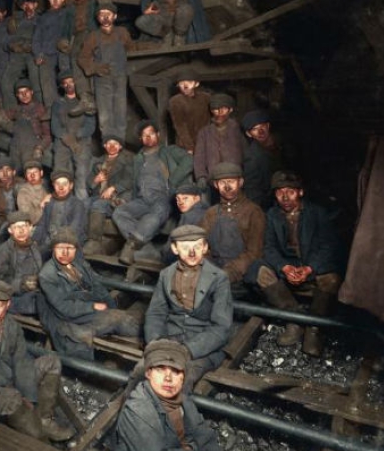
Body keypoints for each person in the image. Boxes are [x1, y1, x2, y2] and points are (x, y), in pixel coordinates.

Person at [0, 279, 74, 442]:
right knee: (15, 401)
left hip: (9, 379)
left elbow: (21, 360)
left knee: (52, 362)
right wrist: (18, 391)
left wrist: (30, 396)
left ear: (8, 305)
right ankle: (40, 438)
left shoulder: (13, 327)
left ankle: (45, 421)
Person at [256, 171, 344, 355]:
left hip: (310, 266)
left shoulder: (317, 213)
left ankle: (314, 327)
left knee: (333, 279)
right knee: (261, 272)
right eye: (280, 192)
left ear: (301, 192)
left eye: (291, 191)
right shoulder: (272, 215)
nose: (285, 197)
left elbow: (329, 247)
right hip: (287, 268)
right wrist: (284, 267)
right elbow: (268, 248)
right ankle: (293, 320)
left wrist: (309, 268)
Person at [115, 339, 221, 451]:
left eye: (176, 371)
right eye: (160, 369)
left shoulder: (184, 401)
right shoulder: (137, 409)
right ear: (148, 373)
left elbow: (207, 440)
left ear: (183, 377)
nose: (168, 378)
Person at [144, 225, 232, 391]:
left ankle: (183, 416)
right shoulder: (166, 274)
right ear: (174, 249)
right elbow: (155, 313)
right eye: (185, 247)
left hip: (203, 347)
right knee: (142, 373)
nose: (192, 253)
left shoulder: (219, 278)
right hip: (170, 339)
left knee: (182, 381)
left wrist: (189, 350)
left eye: (197, 246)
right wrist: (156, 343)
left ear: (205, 247)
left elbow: (221, 327)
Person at [38, 228, 141, 360]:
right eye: (60, 248)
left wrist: (110, 307)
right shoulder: (47, 274)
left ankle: (150, 340)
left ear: (76, 249)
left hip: (83, 311)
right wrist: (92, 307)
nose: (65, 252)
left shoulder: (79, 264)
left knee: (124, 318)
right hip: (64, 317)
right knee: (116, 319)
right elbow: (63, 308)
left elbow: (97, 286)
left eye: (70, 248)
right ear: (53, 249)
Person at [114, 120, 193, 265]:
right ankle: (147, 250)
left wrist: (173, 180)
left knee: (156, 214)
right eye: (144, 135)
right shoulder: (138, 158)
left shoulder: (169, 151)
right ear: (140, 139)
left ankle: (131, 246)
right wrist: (121, 194)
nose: (148, 137)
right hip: (142, 199)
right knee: (119, 213)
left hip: (163, 198)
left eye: (151, 133)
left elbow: (189, 160)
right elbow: (131, 180)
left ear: (158, 134)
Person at [199, 162, 265, 299]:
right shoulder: (210, 213)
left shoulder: (253, 211)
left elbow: (254, 252)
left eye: (231, 182)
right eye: (222, 182)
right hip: (214, 269)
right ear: (216, 185)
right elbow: (200, 245)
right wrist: (210, 269)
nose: (227, 186)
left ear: (240, 182)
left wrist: (230, 272)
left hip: (242, 274)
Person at [77, 0, 135, 142]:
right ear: (98, 18)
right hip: (102, 79)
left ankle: (119, 143)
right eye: (101, 15)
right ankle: (108, 144)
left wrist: (128, 67)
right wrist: (95, 68)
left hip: (120, 77)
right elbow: (83, 58)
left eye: (108, 14)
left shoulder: (122, 33)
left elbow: (132, 50)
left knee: (120, 112)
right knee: (105, 115)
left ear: (114, 16)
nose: (105, 18)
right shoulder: (93, 36)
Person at [84, 135, 135, 255]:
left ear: (120, 146)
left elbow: (131, 180)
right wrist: (96, 180)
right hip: (99, 195)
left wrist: (113, 188)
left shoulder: (128, 160)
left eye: (115, 144)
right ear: (104, 146)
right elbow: (89, 186)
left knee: (98, 205)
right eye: (109, 144)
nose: (112, 146)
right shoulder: (98, 162)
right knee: (84, 204)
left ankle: (94, 242)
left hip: (118, 197)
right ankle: (82, 238)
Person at [50, 70, 96, 200]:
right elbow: (55, 126)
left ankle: (83, 209)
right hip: (62, 142)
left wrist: (77, 136)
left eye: (71, 82)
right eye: (65, 83)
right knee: (61, 176)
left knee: (81, 177)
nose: (69, 85)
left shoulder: (86, 101)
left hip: (81, 142)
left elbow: (90, 125)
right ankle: (63, 207)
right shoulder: (58, 103)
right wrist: (65, 137)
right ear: (62, 86)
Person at [193, 93, 244, 200]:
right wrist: (201, 176)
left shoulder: (238, 130)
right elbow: (199, 157)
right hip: (213, 181)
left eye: (223, 109)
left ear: (230, 110)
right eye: (215, 109)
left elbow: (247, 156)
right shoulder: (204, 132)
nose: (219, 112)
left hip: (234, 179)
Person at [59, 0, 98, 115]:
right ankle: (85, 98)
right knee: (75, 60)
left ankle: (95, 96)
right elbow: (64, 29)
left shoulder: (95, 3)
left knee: (92, 60)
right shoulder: (69, 9)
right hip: (78, 36)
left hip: (94, 35)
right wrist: (63, 40)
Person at [0, 211, 43, 316]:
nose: (21, 230)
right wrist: (21, 284)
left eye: (25, 226)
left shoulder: (34, 247)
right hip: (15, 295)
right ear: (10, 230)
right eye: (16, 227)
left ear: (30, 228)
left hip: (34, 292)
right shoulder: (4, 250)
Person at [241, 110, 289, 210]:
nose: (260, 131)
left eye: (262, 126)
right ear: (249, 134)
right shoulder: (252, 157)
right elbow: (253, 191)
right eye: (254, 129)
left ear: (268, 126)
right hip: (271, 205)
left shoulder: (284, 144)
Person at [32, 0, 70, 109]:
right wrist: (38, 54)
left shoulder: (68, 14)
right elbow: (37, 38)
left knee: (68, 78)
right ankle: (52, 109)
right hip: (47, 52)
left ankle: (71, 104)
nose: (54, 1)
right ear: (49, 0)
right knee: (46, 82)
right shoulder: (43, 18)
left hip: (64, 51)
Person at [34, 170, 87, 254]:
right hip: (48, 243)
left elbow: (75, 229)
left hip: (67, 244)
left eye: (65, 184)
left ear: (71, 186)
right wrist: (35, 241)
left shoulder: (77, 204)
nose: (61, 187)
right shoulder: (49, 203)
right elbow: (42, 224)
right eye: (57, 184)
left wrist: (57, 245)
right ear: (53, 185)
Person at [1, 0, 39, 109]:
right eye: (24, 4)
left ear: (36, 5)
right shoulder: (15, 21)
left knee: (36, 80)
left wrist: (32, 46)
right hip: (17, 55)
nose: (27, 7)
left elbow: (45, 39)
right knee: (6, 82)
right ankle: (12, 111)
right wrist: (11, 46)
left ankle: (38, 110)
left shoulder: (41, 20)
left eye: (30, 4)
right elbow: (5, 41)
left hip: (33, 54)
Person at [7, 78, 51, 171]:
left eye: (26, 91)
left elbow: (48, 135)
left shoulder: (40, 109)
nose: (24, 95)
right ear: (17, 95)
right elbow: (3, 120)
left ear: (31, 92)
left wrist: (40, 147)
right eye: (20, 93)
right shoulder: (15, 110)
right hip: (16, 145)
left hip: (33, 146)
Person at [168, 68, 211, 154]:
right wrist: (189, 147)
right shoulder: (176, 101)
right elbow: (180, 126)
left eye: (189, 82)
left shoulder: (206, 98)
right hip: (185, 145)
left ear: (196, 84)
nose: (185, 86)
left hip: (205, 141)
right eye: (181, 83)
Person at [15, 159, 49, 227]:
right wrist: (42, 204)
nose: (32, 175)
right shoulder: (23, 193)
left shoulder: (47, 186)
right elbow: (30, 220)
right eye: (29, 173)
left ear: (41, 173)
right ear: (25, 176)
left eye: (35, 172)